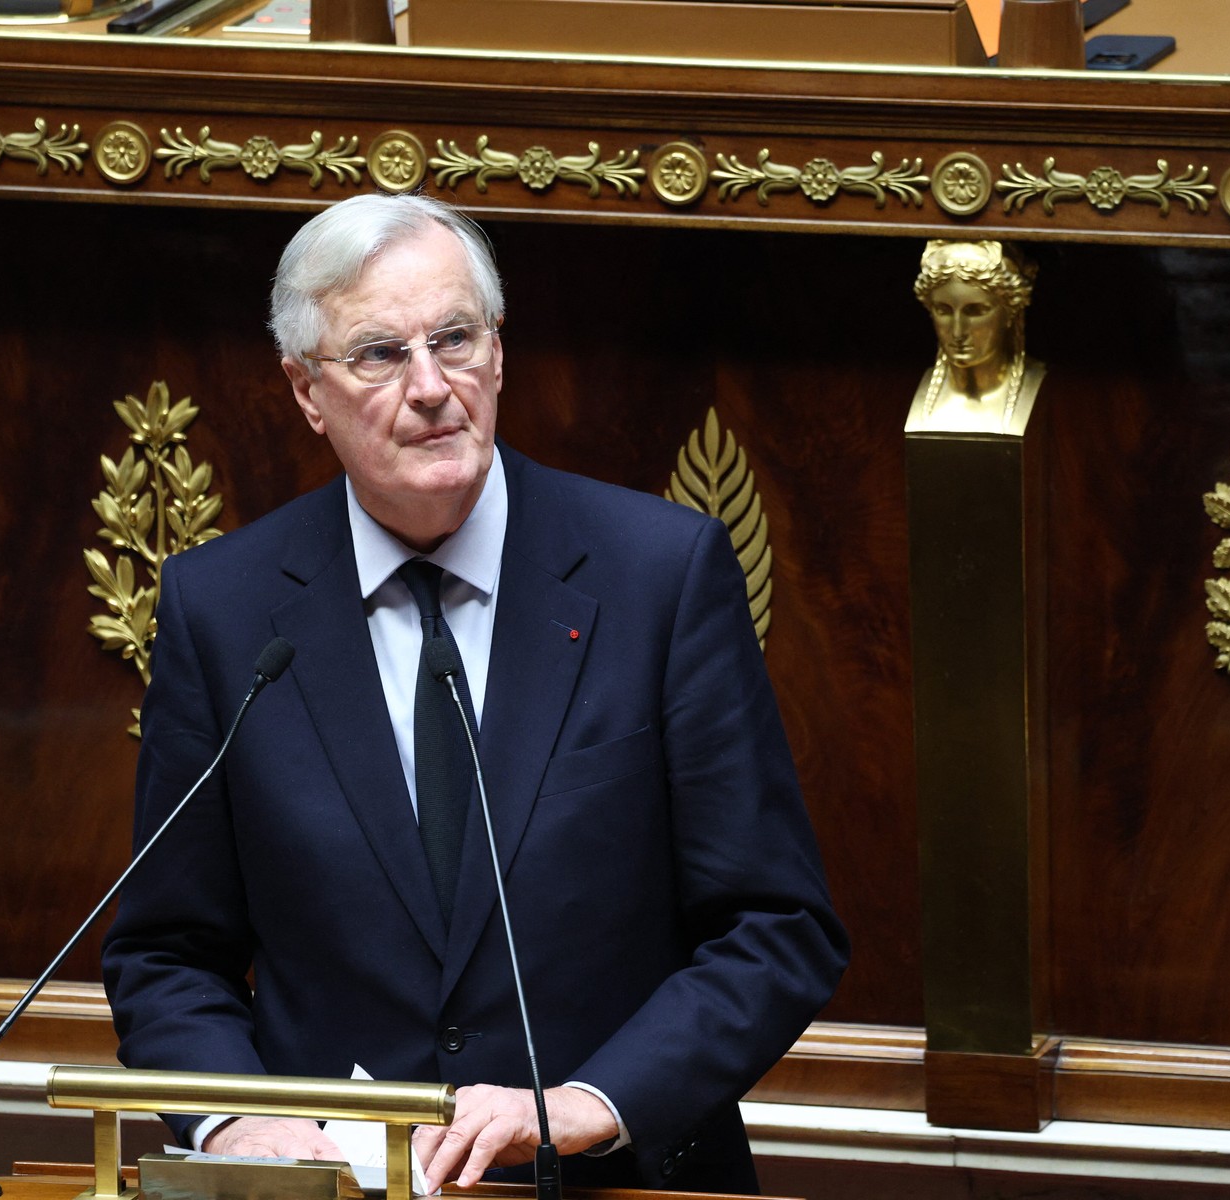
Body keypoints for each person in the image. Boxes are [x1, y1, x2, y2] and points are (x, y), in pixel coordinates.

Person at [101, 193, 848, 1195]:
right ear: (305, 390)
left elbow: (776, 926)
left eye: (455, 338)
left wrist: (596, 1101)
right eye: (378, 353)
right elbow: (167, 950)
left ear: (498, 353)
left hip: (615, 1178)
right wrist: (236, 1119)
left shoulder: (658, 576)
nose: (430, 387)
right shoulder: (224, 609)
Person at [909, 239, 1043, 435]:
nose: (957, 332)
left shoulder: (1040, 386)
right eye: (943, 310)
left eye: (975, 311)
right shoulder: (915, 391)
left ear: (1010, 312)